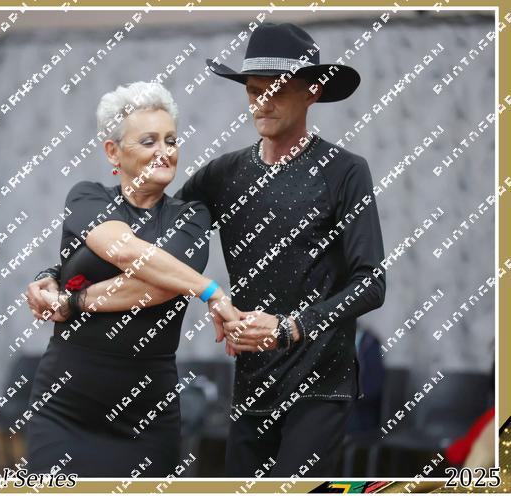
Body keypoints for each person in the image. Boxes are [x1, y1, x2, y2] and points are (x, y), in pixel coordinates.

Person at [29, 23, 387, 478]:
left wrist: (292, 327)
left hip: (320, 384)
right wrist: (54, 274)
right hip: (253, 383)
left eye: (277, 90)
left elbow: (372, 283)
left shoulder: (345, 171)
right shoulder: (223, 175)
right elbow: (151, 241)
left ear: (312, 91)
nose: (263, 102)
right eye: (254, 90)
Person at [23, 81, 240, 478]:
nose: (164, 151)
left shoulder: (191, 215)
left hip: (146, 416)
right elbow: (123, 250)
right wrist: (207, 289)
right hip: (65, 406)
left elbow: (160, 286)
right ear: (113, 152)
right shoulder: (86, 197)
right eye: (148, 141)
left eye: (171, 140)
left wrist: (75, 301)